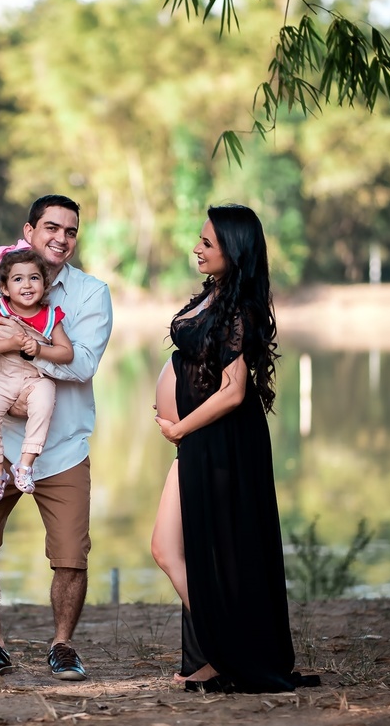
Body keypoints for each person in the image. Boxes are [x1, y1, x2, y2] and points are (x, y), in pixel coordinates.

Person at [150, 204, 319, 694]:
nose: (196, 249)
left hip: (220, 442)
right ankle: (223, 650)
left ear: (235, 250)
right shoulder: (214, 296)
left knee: (210, 549)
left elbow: (233, 391)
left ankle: (228, 655)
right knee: (173, 548)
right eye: (199, 240)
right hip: (199, 440)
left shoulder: (242, 307)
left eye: (208, 243)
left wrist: (181, 428)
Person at [0, 194, 113, 683]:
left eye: (70, 231)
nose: (60, 238)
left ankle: (63, 646)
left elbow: (82, 364)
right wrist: (7, 397)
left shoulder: (90, 293)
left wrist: (27, 348)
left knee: (70, 557)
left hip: (62, 447)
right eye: (51, 228)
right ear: (28, 230)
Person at [0, 246, 75, 502]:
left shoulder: (51, 317)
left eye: (34, 278)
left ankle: (25, 465)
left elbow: (66, 353)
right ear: (5, 288)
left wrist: (39, 348)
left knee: (44, 400)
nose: (27, 285)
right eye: (18, 279)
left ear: (45, 283)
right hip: (2, 378)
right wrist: (9, 344)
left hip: (34, 379)